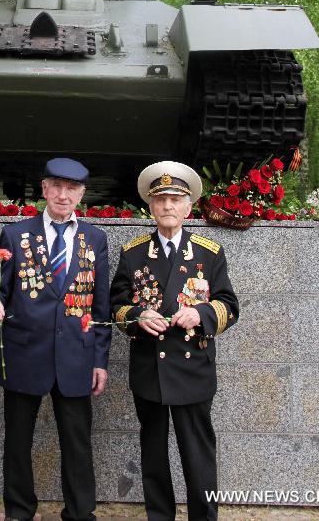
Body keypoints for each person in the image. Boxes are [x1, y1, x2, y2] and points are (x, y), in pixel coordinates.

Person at [0, 157, 111, 521]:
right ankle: (20, 512)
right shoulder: (15, 234)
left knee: (78, 444)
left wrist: (99, 360)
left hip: (76, 357)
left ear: (82, 194)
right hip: (25, 353)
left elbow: (100, 308)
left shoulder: (96, 239)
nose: (64, 195)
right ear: (45, 190)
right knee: (18, 443)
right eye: (57, 187)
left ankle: (80, 513)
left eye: (72, 189)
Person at [110, 161, 239, 521]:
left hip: (192, 368)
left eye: (175, 199)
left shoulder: (208, 253)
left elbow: (229, 305)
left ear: (188, 206)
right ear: (150, 207)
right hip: (151, 367)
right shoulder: (133, 252)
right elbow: (117, 303)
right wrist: (137, 316)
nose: (167, 206)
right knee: (153, 453)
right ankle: (159, 516)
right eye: (160, 199)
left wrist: (201, 314)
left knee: (198, 455)